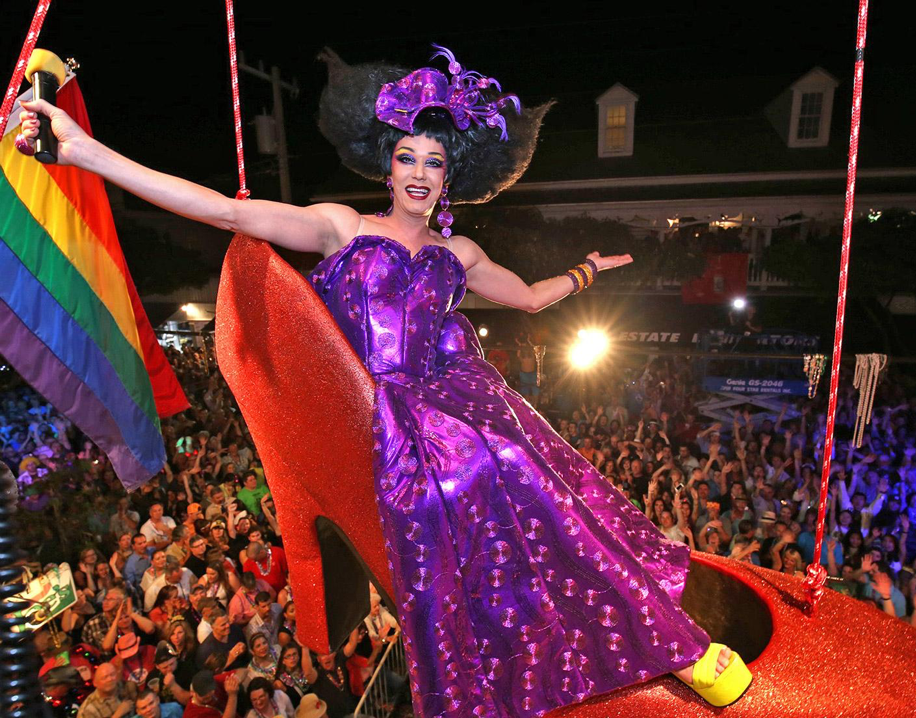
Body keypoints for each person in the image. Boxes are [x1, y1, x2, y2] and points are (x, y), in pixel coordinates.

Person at [19, 43, 747, 715]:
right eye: (408, 157)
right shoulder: (342, 227)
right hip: (370, 409)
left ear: (449, 173)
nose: (421, 173)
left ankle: (660, 640)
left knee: (528, 462)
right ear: (387, 165)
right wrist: (86, 152)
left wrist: (586, 272)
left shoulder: (459, 250)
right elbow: (220, 209)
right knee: (466, 475)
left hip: (454, 395)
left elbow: (525, 297)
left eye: (435, 161)